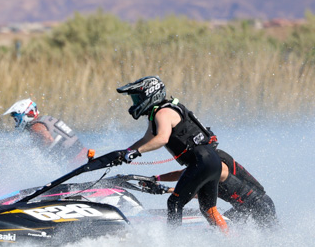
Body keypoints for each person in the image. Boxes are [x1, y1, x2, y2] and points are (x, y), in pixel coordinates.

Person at [116, 76, 228, 232]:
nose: (135, 103)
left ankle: (173, 243)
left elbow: (162, 138)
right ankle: (229, 239)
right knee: (208, 209)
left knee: (174, 203)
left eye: (137, 98)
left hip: (201, 161)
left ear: (150, 95)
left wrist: (136, 153)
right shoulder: (162, 110)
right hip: (212, 161)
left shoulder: (162, 113)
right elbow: (148, 138)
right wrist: (126, 152)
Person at [142, 149, 277, 227]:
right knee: (221, 225)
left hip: (260, 205)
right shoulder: (210, 162)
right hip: (242, 208)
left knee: (271, 239)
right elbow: (186, 176)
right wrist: (156, 178)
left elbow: (197, 189)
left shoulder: (219, 167)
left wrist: (167, 189)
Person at [3, 98, 89, 164]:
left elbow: (48, 139)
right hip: (84, 154)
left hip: (75, 161)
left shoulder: (35, 126)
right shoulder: (45, 119)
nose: (16, 122)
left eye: (16, 118)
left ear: (25, 114)